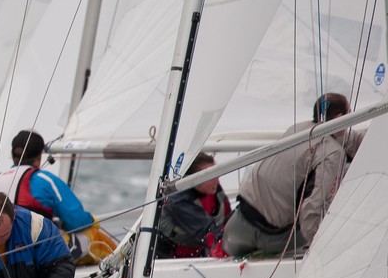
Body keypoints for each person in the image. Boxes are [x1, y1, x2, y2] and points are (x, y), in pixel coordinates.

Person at [222, 93, 364, 257]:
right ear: (340, 118)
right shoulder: (333, 154)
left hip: (236, 226)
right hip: (271, 236)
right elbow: (311, 213)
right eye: (350, 112)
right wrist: (325, 254)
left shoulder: (298, 128)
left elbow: (347, 139)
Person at [0, 130, 117, 265]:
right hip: (38, 253)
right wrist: (91, 220)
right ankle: (120, 271)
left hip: (3, 254)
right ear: (39, 156)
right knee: (96, 238)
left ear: (13, 154)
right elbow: (76, 221)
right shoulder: (44, 180)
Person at [156, 152, 231, 258]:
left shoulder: (213, 189)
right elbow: (207, 233)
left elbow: (228, 220)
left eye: (217, 175)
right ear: (194, 178)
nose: (217, 181)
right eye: (212, 176)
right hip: (169, 258)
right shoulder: (178, 200)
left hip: (200, 253)